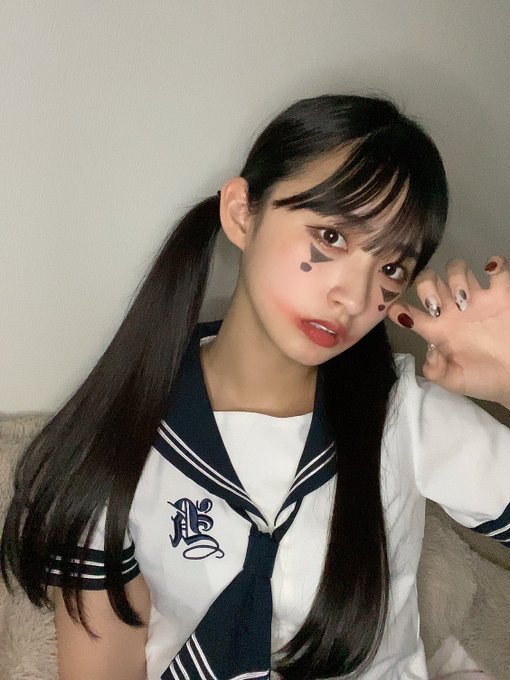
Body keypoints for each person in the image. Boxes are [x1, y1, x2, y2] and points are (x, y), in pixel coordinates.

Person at [1, 94, 509, 680]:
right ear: (243, 213)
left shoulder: (404, 415)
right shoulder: (121, 439)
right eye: (332, 236)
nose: (352, 296)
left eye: (391, 268)